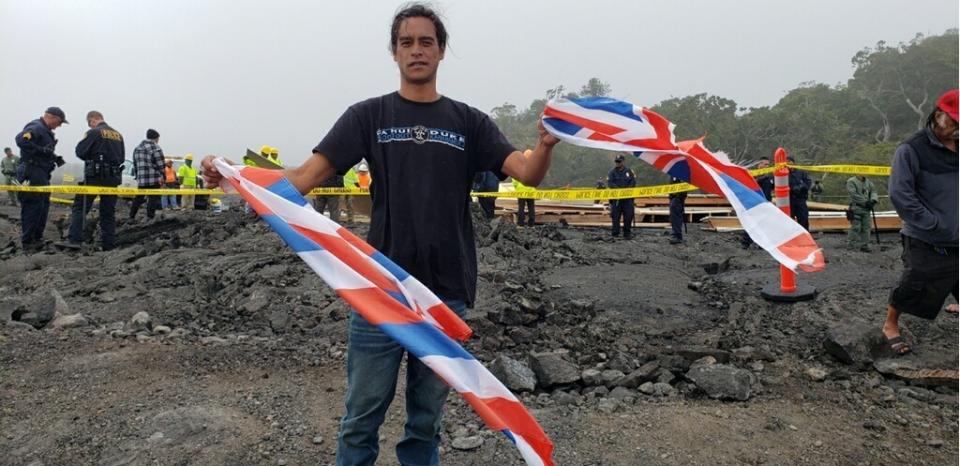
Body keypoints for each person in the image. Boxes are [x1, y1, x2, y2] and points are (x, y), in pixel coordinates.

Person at [201, 5, 557, 464]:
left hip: (444, 294)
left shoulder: (469, 122)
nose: (416, 50)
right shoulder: (368, 116)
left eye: (425, 41)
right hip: (380, 290)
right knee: (361, 418)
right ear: (394, 52)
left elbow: (527, 175)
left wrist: (545, 145)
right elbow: (304, 179)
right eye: (406, 42)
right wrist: (233, 174)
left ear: (441, 50)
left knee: (425, 423)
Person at [882, 89, 959, 355]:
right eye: (954, 122)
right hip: (926, 235)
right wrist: (933, 223)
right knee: (916, 280)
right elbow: (900, 194)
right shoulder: (912, 149)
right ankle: (891, 325)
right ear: (938, 115)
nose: (956, 129)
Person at [58, 111, 125, 251]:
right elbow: (122, 158)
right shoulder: (118, 135)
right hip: (112, 178)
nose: (90, 125)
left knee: (80, 207)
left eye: (89, 123)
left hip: (95, 177)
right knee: (108, 212)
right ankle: (109, 244)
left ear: (92, 120)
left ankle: (75, 240)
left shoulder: (94, 132)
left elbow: (80, 151)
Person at [15, 107, 68, 251]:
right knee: (33, 205)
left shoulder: (45, 131)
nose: (60, 125)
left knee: (42, 205)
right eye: (60, 122)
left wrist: (54, 157)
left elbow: (43, 150)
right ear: (52, 117)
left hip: (41, 173)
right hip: (32, 171)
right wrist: (42, 151)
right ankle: (28, 242)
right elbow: (21, 140)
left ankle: (37, 238)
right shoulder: (36, 127)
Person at [129, 129, 166, 221]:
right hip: (153, 178)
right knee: (153, 198)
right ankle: (149, 216)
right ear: (156, 138)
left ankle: (131, 216)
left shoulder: (137, 148)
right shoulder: (156, 148)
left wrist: (138, 177)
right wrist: (163, 176)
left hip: (141, 179)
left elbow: (135, 164)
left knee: (138, 198)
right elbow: (161, 165)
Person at [741, 157, 775, 248]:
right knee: (752, 223)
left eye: (768, 164)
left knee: (765, 224)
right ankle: (746, 242)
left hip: (766, 202)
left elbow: (773, 187)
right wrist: (762, 178)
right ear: (759, 164)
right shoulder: (753, 174)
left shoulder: (770, 176)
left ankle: (762, 244)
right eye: (764, 164)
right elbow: (749, 185)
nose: (766, 166)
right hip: (754, 203)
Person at [845, 175, 878, 252]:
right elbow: (853, 195)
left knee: (866, 227)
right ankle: (852, 246)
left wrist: (873, 200)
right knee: (856, 227)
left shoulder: (868, 182)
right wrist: (865, 202)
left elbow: (873, 191)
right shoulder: (851, 181)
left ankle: (864, 245)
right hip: (856, 207)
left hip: (866, 209)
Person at [607, 154, 636, 239]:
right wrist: (619, 191)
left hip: (627, 199)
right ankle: (615, 233)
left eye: (619, 162)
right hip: (616, 199)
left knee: (628, 216)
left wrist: (626, 191)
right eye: (616, 161)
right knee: (615, 216)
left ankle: (627, 233)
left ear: (623, 162)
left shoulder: (629, 171)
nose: (617, 163)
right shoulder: (611, 172)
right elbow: (610, 183)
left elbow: (633, 182)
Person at [787, 156, 811, 230]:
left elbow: (808, 182)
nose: (788, 164)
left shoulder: (801, 172)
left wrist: (800, 187)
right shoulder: (783, 173)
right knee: (789, 220)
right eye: (786, 162)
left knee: (803, 218)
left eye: (789, 162)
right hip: (789, 200)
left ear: (793, 163)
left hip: (800, 199)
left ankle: (805, 235)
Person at [668, 177, 687, 244]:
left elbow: (683, 186)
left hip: (678, 197)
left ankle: (677, 235)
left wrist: (678, 197)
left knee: (676, 216)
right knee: (673, 217)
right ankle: (675, 234)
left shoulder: (681, 174)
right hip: (673, 197)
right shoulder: (673, 174)